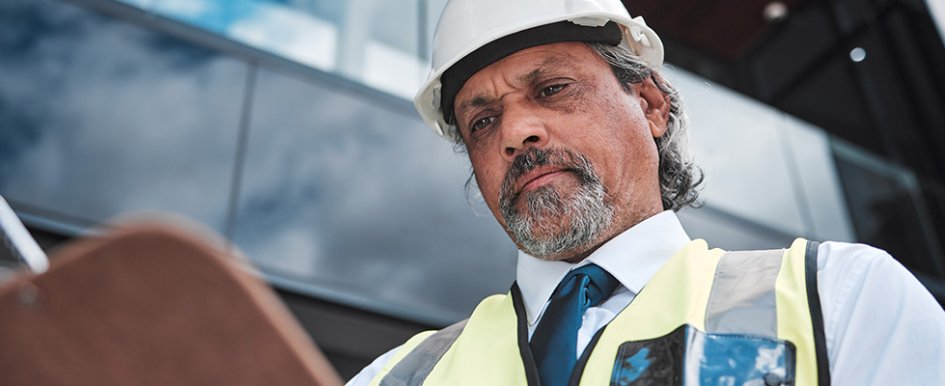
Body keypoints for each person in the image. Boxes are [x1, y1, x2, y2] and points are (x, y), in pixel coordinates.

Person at [347, 0, 945, 385]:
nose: (514, 132)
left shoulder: (841, 300)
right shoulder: (396, 378)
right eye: (481, 121)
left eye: (553, 88)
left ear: (652, 105)